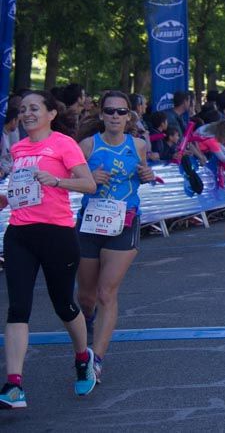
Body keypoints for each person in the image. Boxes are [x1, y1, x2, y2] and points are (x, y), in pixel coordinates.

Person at [1, 90, 98, 408]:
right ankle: (14, 385)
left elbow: (88, 184)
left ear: (51, 114)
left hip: (57, 234)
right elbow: (21, 190)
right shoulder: (18, 148)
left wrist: (57, 181)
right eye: (22, 109)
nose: (26, 113)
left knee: (64, 305)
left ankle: (83, 357)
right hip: (19, 234)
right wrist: (5, 198)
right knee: (18, 308)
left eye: (34, 108)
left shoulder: (63, 144)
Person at [74, 91, 155, 383]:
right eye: (110, 111)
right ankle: (89, 321)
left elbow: (144, 175)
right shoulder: (86, 146)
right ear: (101, 115)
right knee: (86, 297)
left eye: (121, 112)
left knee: (107, 292)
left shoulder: (138, 145)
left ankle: (95, 360)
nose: (115, 116)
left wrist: (147, 176)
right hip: (90, 223)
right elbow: (70, 180)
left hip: (124, 221)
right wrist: (88, 179)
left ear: (129, 116)